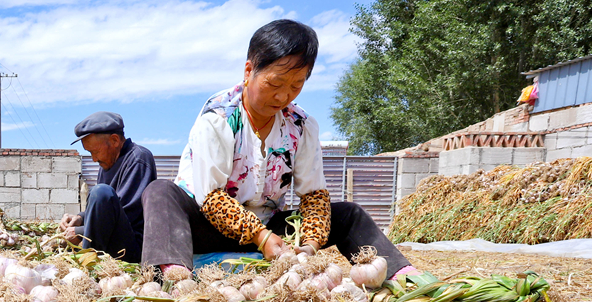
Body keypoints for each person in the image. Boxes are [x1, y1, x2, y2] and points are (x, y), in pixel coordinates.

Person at [140, 19, 418, 281]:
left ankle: (401, 275)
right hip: (206, 227)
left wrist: (309, 247)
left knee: (348, 214)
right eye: (274, 84)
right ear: (249, 71)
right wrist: (259, 238)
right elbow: (210, 199)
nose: (283, 96)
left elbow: (313, 196)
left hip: (272, 233)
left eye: (296, 85)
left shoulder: (301, 125)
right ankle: (174, 275)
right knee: (160, 191)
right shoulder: (219, 118)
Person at [60, 112, 157, 263]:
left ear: (115, 140)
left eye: (95, 151)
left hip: (132, 249)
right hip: (112, 243)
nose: (93, 159)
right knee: (100, 192)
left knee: (101, 191)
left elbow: (125, 215)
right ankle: (89, 261)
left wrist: (80, 232)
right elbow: (106, 209)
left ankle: (89, 264)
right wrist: (80, 218)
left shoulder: (138, 159)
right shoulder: (107, 164)